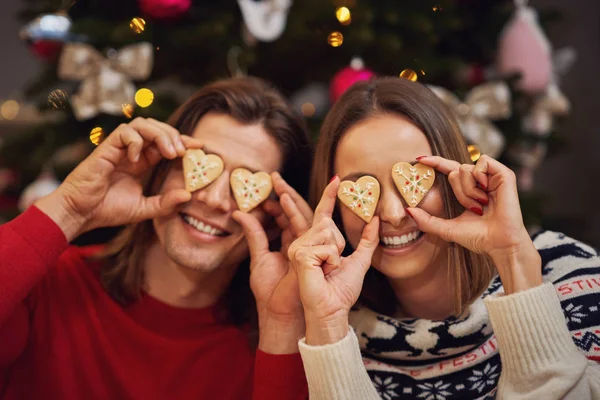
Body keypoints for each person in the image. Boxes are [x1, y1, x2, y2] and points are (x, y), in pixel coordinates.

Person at [0, 77, 315, 399]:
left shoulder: (281, 344)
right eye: (201, 166)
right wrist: (69, 210)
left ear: (276, 219)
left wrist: (282, 322)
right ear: (159, 168)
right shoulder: (47, 288)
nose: (214, 199)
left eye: (246, 184)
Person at [289, 77, 600, 399]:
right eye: (363, 189)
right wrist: (328, 326)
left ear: (454, 174)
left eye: (412, 180)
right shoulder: (332, 333)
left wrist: (513, 261)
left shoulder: (569, 276)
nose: (394, 213)